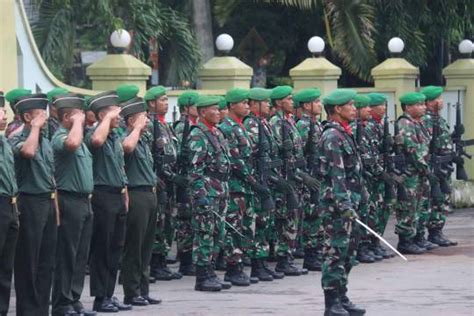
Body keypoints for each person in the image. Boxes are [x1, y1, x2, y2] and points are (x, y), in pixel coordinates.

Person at [316, 88, 366, 316]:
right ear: (337, 109)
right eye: (350, 105)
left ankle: (342, 296)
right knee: (335, 252)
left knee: (348, 253)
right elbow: (337, 175)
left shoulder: (344, 133)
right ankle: (331, 302)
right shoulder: (331, 136)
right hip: (337, 207)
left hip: (350, 204)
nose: (354, 109)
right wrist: (344, 205)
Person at [10, 93, 57, 316]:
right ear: (28, 116)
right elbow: (27, 152)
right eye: (40, 114)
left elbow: (51, 176)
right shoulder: (18, 138)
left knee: (46, 260)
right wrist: (34, 129)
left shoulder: (46, 142)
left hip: (47, 202)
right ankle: (27, 310)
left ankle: (40, 309)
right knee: (28, 261)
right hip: (29, 203)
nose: (45, 119)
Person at [85, 90, 131, 313]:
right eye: (116, 112)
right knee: (102, 249)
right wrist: (105, 119)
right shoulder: (95, 133)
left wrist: (125, 194)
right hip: (101, 196)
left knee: (115, 248)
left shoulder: (114, 136)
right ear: (104, 115)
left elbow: (120, 168)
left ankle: (109, 294)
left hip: (117, 195)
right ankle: (99, 297)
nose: (120, 116)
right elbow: (96, 140)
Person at [50, 93, 96, 316]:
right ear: (67, 116)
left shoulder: (79, 136)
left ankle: (74, 298)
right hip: (69, 200)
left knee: (80, 254)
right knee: (67, 254)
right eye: (79, 114)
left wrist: (78, 123)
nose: (84, 118)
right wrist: (77, 123)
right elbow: (72, 144)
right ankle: (61, 303)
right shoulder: (60, 136)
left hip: (84, 201)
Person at [219, 88, 266, 286]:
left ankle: (239, 266)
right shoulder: (228, 128)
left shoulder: (240, 126)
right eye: (243, 103)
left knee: (246, 227)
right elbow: (236, 161)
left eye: (248, 102)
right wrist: (252, 181)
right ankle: (232, 268)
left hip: (245, 187)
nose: (247, 106)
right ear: (231, 106)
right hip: (236, 186)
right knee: (234, 228)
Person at [120, 95, 162, 306]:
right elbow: (126, 148)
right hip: (135, 195)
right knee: (134, 247)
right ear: (130, 121)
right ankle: (131, 291)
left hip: (149, 194)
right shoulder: (127, 136)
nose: (147, 120)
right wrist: (135, 129)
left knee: (146, 247)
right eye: (142, 116)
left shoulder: (143, 139)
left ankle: (143, 290)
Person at [188, 95, 232, 291]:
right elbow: (194, 170)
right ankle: (202, 275)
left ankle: (212, 271)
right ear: (203, 112)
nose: (218, 112)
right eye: (213, 109)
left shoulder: (217, 133)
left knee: (218, 233)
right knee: (204, 233)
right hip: (207, 191)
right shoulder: (198, 135)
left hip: (220, 190)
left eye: (218, 108)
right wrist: (200, 195)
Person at [243, 88, 285, 281]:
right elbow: (250, 155)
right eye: (264, 102)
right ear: (254, 104)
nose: (269, 105)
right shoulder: (251, 124)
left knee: (266, 223)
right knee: (259, 223)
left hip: (268, 176)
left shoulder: (263, 123)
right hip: (258, 179)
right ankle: (256, 264)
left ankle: (262, 262)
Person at [145, 86, 183, 281]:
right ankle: (155, 262)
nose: (166, 104)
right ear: (151, 103)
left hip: (169, 180)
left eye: (167, 100)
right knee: (158, 222)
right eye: (163, 100)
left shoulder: (164, 124)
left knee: (167, 221)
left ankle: (161, 259)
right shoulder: (150, 125)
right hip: (158, 180)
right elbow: (150, 155)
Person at [420, 86, 457, 247]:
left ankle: (437, 231)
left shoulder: (438, 118)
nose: (441, 101)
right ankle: (433, 232)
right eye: (437, 99)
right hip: (435, 165)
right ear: (428, 103)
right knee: (435, 199)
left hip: (444, 164)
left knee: (441, 198)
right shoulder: (428, 120)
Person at [395, 92, 432, 255]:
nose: (423, 107)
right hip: (411, 174)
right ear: (408, 107)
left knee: (419, 206)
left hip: (419, 173)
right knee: (408, 208)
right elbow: (413, 151)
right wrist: (427, 170)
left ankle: (417, 237)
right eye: (419, 104)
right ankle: (405, 241)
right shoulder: (405, 124)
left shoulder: (418, 123)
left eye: (423, 104)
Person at [293, 88, 325, 271]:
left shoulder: (316, 124)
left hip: (317, 177)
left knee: (318, 216)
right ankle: (311, 255)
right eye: (316, 101)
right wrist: (305, 176)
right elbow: (300, 155)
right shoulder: (304, 126)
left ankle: (316, 253)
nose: (320, 105)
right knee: (312, 217)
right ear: (306, 105)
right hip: (309, 178)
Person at [174, 91, 200, 276]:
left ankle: (189, 257)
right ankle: (185, 260)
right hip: (184, 179)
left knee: (192, 219)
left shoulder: (194, 126)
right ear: (186, 108)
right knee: (184, 221)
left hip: (193, 179)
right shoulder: (181, 127)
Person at [0, 92, 19, 316]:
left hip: (10, 205)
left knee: (6, 267)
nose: (4, 114)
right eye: (1, 110)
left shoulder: (4, 140)